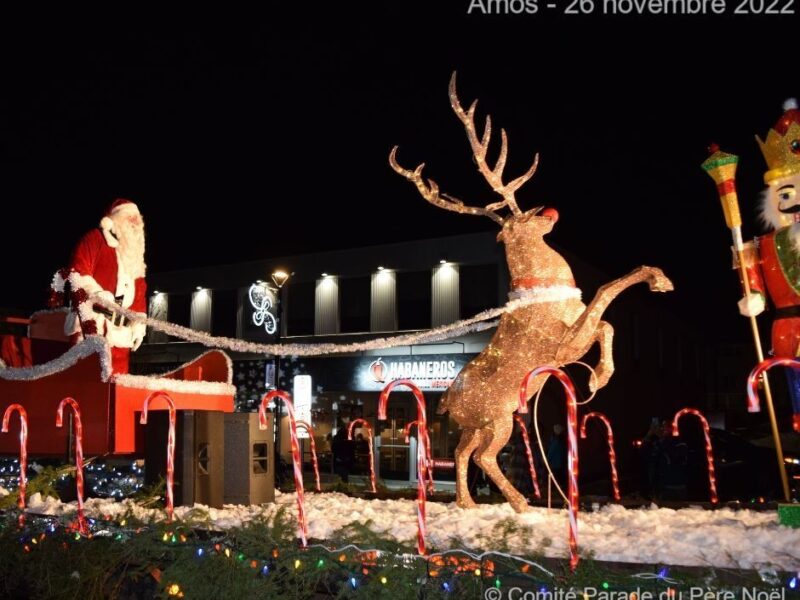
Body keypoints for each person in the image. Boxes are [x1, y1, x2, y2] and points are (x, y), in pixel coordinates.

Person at [737, 99, 800, 433]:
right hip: (789, 330)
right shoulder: (763, 245)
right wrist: (755, 295)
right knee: (797, 395)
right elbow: (752, 274)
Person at [50, 199, 147, 374]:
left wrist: (139, 325)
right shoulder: (95, 240)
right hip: (91, 328)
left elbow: (139, 293)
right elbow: (77, 272)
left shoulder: (134, 258)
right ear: (114, 221)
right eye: (129, 219)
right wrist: (97, 294)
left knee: (117, 386)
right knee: (87, 383)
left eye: (137, 221)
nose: (135, 224)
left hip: (120, 337)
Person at [545, 423, 567, 491]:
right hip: (559, 465)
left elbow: (550, 453)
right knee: (558, 481)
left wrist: (546, 461)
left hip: (554, 465)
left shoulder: (555, 442)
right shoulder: (560, 442)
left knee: (555, 481)